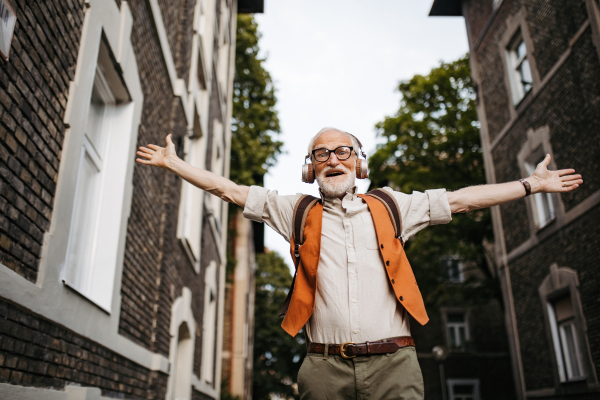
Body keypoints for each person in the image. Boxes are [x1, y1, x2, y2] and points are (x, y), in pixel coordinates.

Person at [136, 128, 582, 400]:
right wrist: (175, 164)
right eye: (321, 154)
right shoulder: (293, 210)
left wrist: (530, 185)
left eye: (343, 151)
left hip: (395, 366)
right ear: (309, 170)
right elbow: (229, 190)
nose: (332, 159)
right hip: (323, 369)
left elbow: (463, 199)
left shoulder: (393, 206)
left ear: (360, 164)